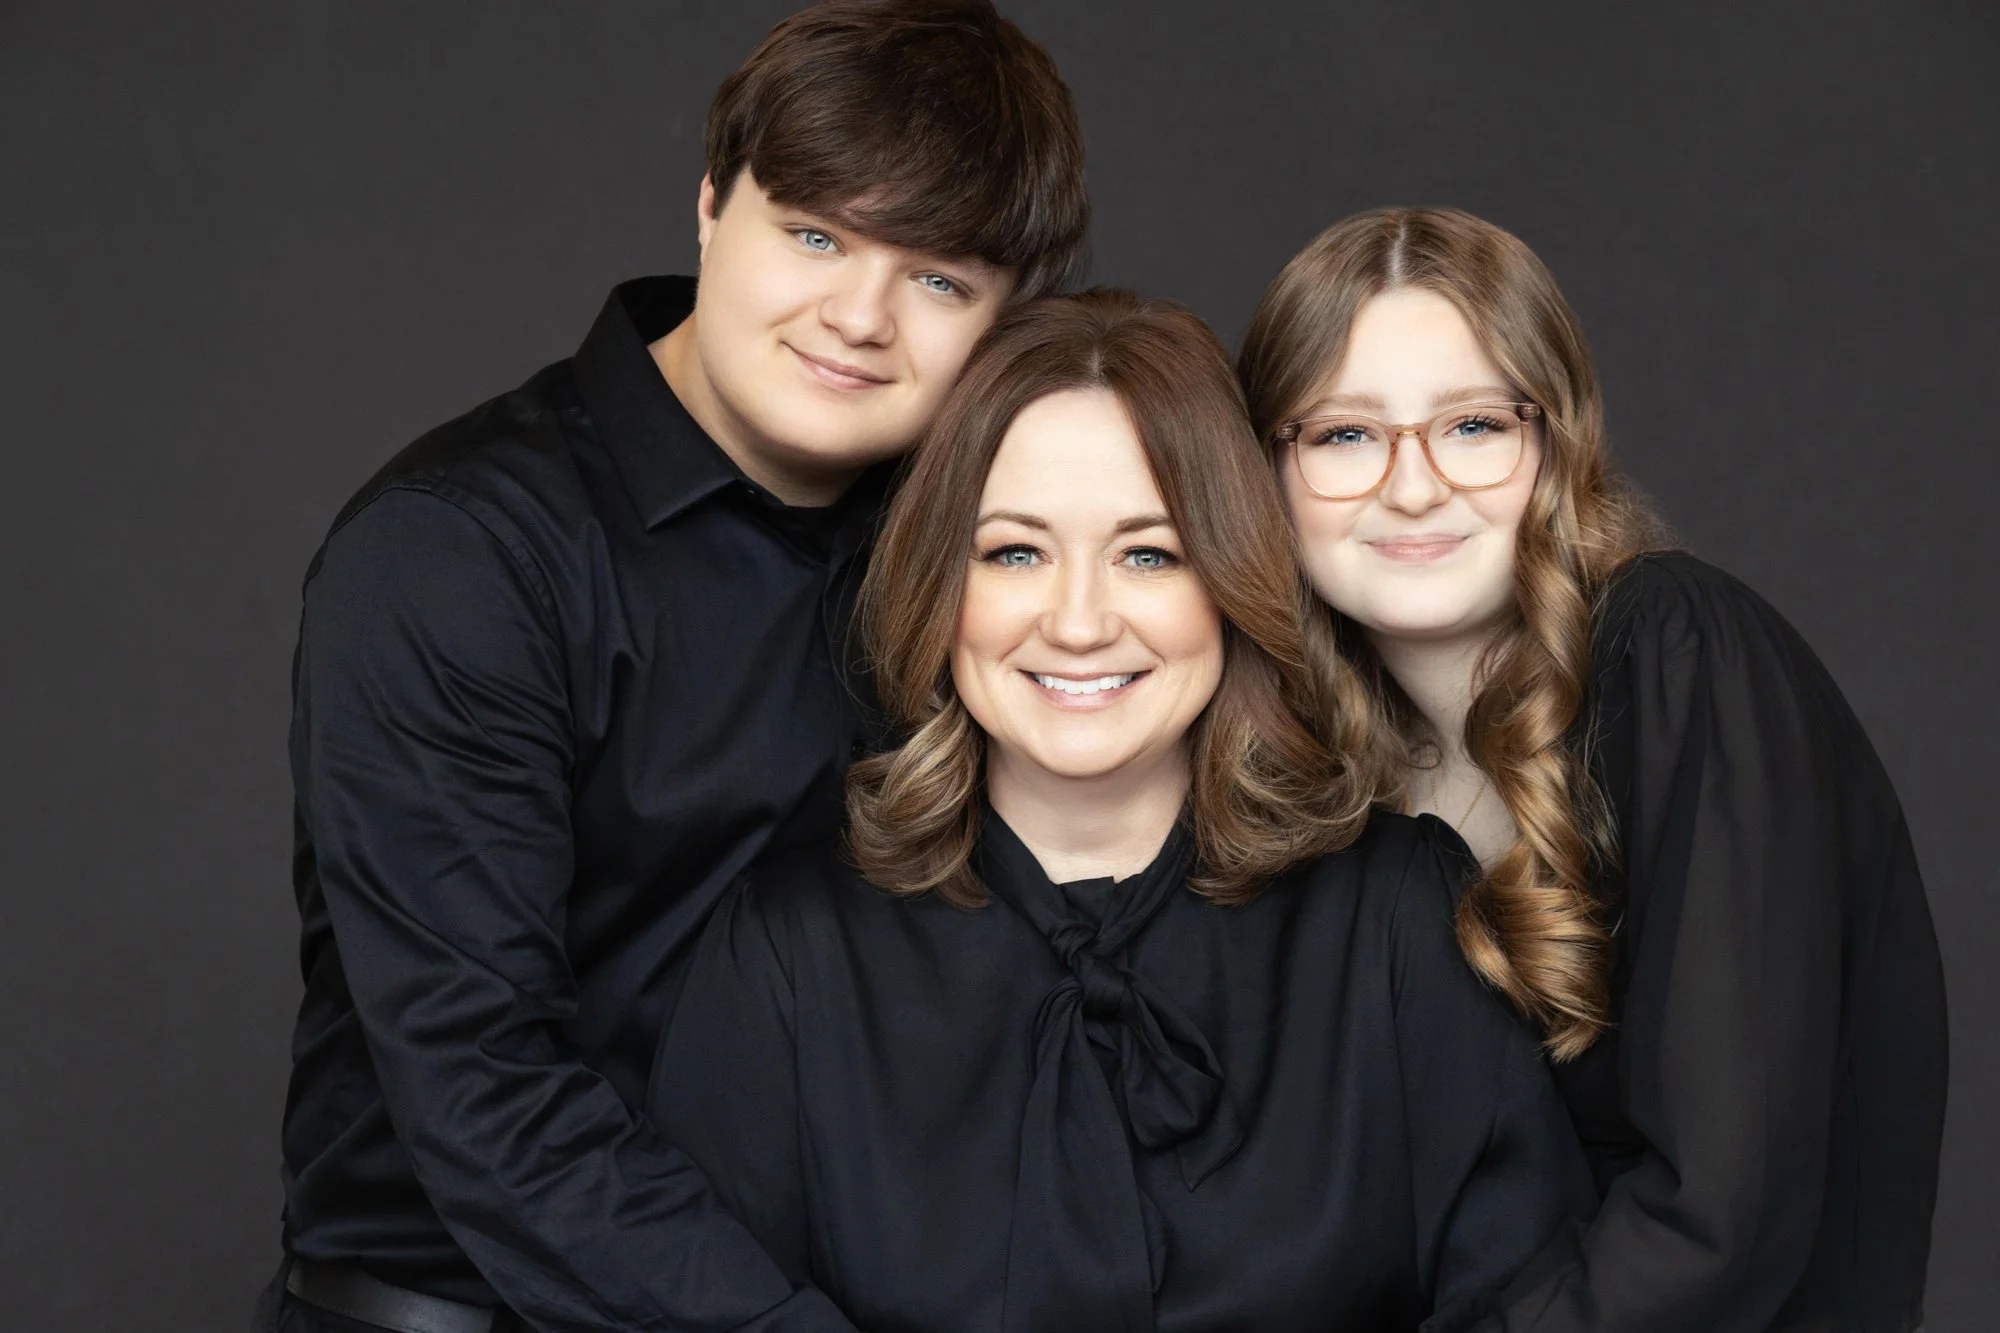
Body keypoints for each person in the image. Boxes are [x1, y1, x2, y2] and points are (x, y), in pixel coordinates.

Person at [259, 4, 1088, 1330]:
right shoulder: (463, 555)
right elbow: (488, 1093)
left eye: (938, 279)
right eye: (814, 234)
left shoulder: (984, 546)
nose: (859, 316)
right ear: (712, 206)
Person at [648, 289, 1597, 1333]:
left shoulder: (1394, 914)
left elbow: (1522, 1303)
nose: (1078, 621)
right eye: (1014, 551)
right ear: (936, 585)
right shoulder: (788, 951)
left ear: (1230, 582)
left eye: (1148, 553)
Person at [1238, 207, 1949, 1332]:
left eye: (1471, 426)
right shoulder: (1340, 784)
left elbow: (1725, 1209)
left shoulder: (1675, 651)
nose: (1411, 487)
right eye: (1341, 435)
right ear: (1265, 472)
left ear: (1555, 440)